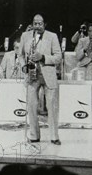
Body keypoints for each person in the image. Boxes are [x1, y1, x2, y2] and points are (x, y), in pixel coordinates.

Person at [19, 14, 62, 145]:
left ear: (45, 24)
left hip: (48, 75)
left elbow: (58, 57)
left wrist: (42, 57)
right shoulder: (25, 36)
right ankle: (34, 135)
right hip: (32, 75)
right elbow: (20, 55)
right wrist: (24, 67)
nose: (37, 26)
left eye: (40, 24)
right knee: (31, 106)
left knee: (52, 107)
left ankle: (54, 137)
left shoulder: (52, 36)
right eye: (35, 23)